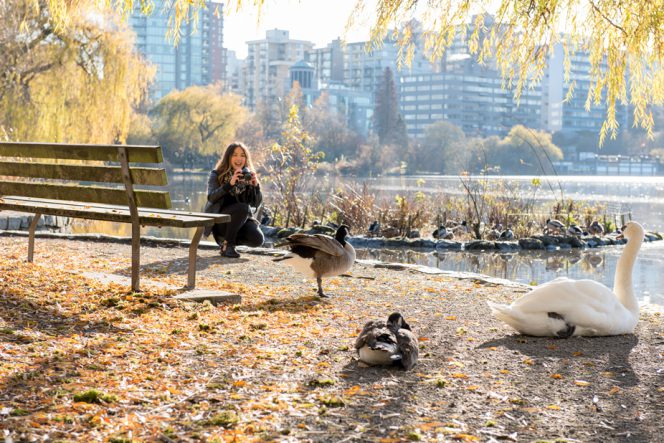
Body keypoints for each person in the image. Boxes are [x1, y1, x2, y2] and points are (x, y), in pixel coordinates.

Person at [203, 142, 264, 258]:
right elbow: (211, 198)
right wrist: (229, 184)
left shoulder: (247, 175)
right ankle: (227, 245)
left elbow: (256, 204)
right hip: (220, 223)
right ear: (228, 157)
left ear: (246, 158)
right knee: (242, 208)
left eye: (242, 155)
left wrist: (256, 186)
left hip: (239, 222)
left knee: (258, 239)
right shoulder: (217, 174)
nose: (239, 158)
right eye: (235, 155)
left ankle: (229, 242)